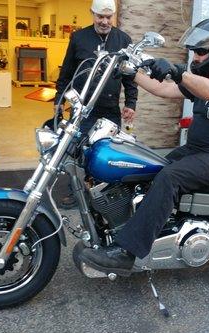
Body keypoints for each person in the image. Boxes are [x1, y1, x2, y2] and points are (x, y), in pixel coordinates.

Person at [81, 18, 209, 271]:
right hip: (196, 151)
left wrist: (178, 71)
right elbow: (161, 89)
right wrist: (130, 72)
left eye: (201, 52)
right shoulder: (201, 78)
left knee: (169, 177)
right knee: (146, 168)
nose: (195, 57)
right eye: (193, 52)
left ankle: (127, 251)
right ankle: (155, 227)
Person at [53, 0, 138, 208]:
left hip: (110, 109)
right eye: (100, 16)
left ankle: (103, 194)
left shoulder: (124, 39)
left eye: (109, 17)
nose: (104, 21)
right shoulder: (79, 37)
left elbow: (130, 77)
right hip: (82, 107)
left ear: (114, 16)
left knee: (107, 152)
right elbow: (67, 72)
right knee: (78, 152)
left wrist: (131, 103)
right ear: (92, 14)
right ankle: (78, 193)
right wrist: (58, 101)